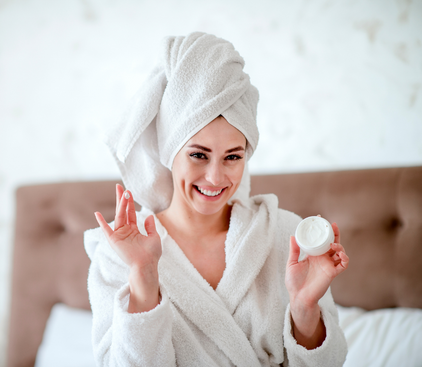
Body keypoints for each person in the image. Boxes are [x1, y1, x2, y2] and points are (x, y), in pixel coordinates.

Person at [84, 32, 349, 366]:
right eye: (198, 154)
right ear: (170, 152)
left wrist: (304, 308)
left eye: (232, 157)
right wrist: (143, 276)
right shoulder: (119, 254)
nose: (215, 177)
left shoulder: (286, 236)